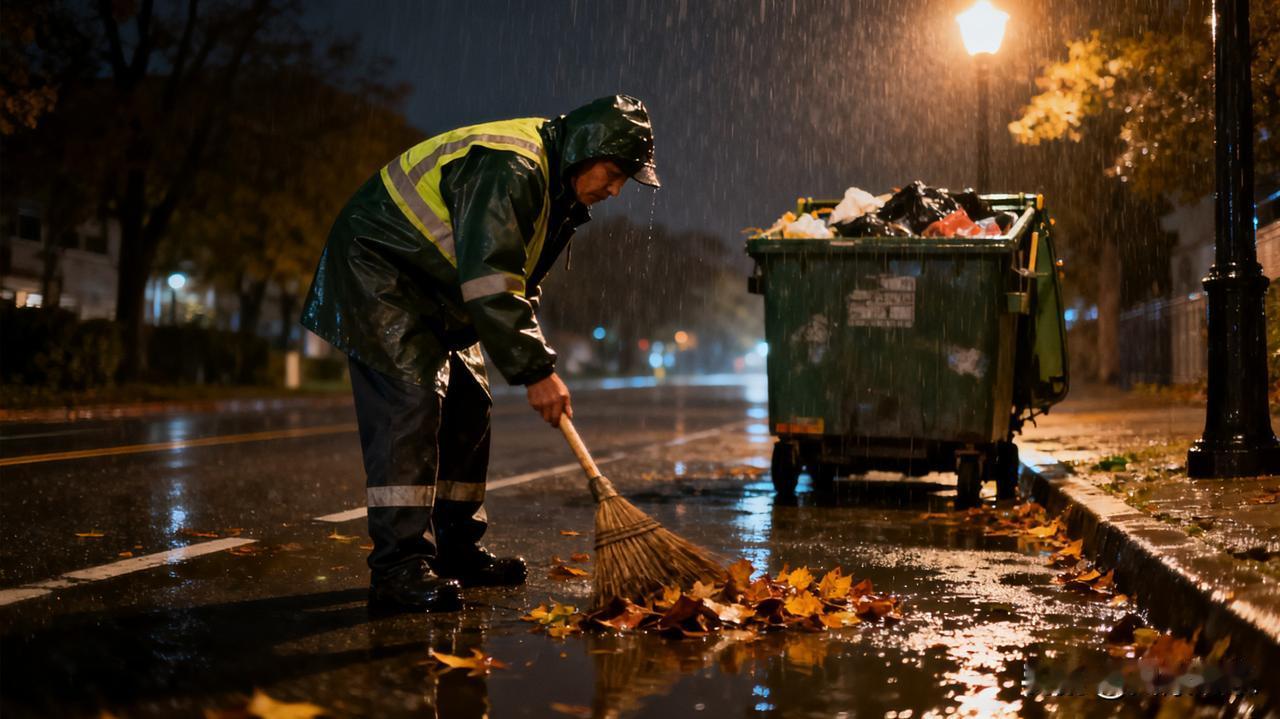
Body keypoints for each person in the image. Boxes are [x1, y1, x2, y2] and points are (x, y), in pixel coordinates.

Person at [300, 95, 660, 613]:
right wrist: (537, 372)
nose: (615, 189)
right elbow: (492, 279)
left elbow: (517, 282)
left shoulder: (556, 193)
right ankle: (398, 569)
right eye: (615, 172)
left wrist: (534, 357)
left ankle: (458, 551)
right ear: (588, 148)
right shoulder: (512, 166)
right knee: (411, 408)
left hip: (442, 288)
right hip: (383, 271)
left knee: (470, 406)